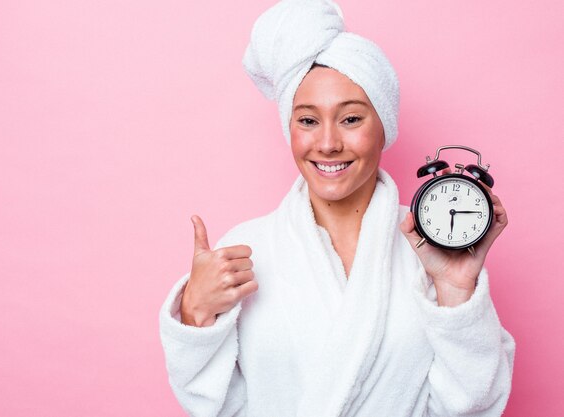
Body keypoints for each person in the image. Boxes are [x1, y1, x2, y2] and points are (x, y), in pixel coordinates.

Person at [159, 1, 515, 416]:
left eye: (350, 119)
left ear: (385, 125)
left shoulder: (434, 249)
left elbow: (475, 404)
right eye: (307, 121)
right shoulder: (244, 250)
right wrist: (194, 313)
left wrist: (457, 291)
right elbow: (212, 403)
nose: (327, 143)